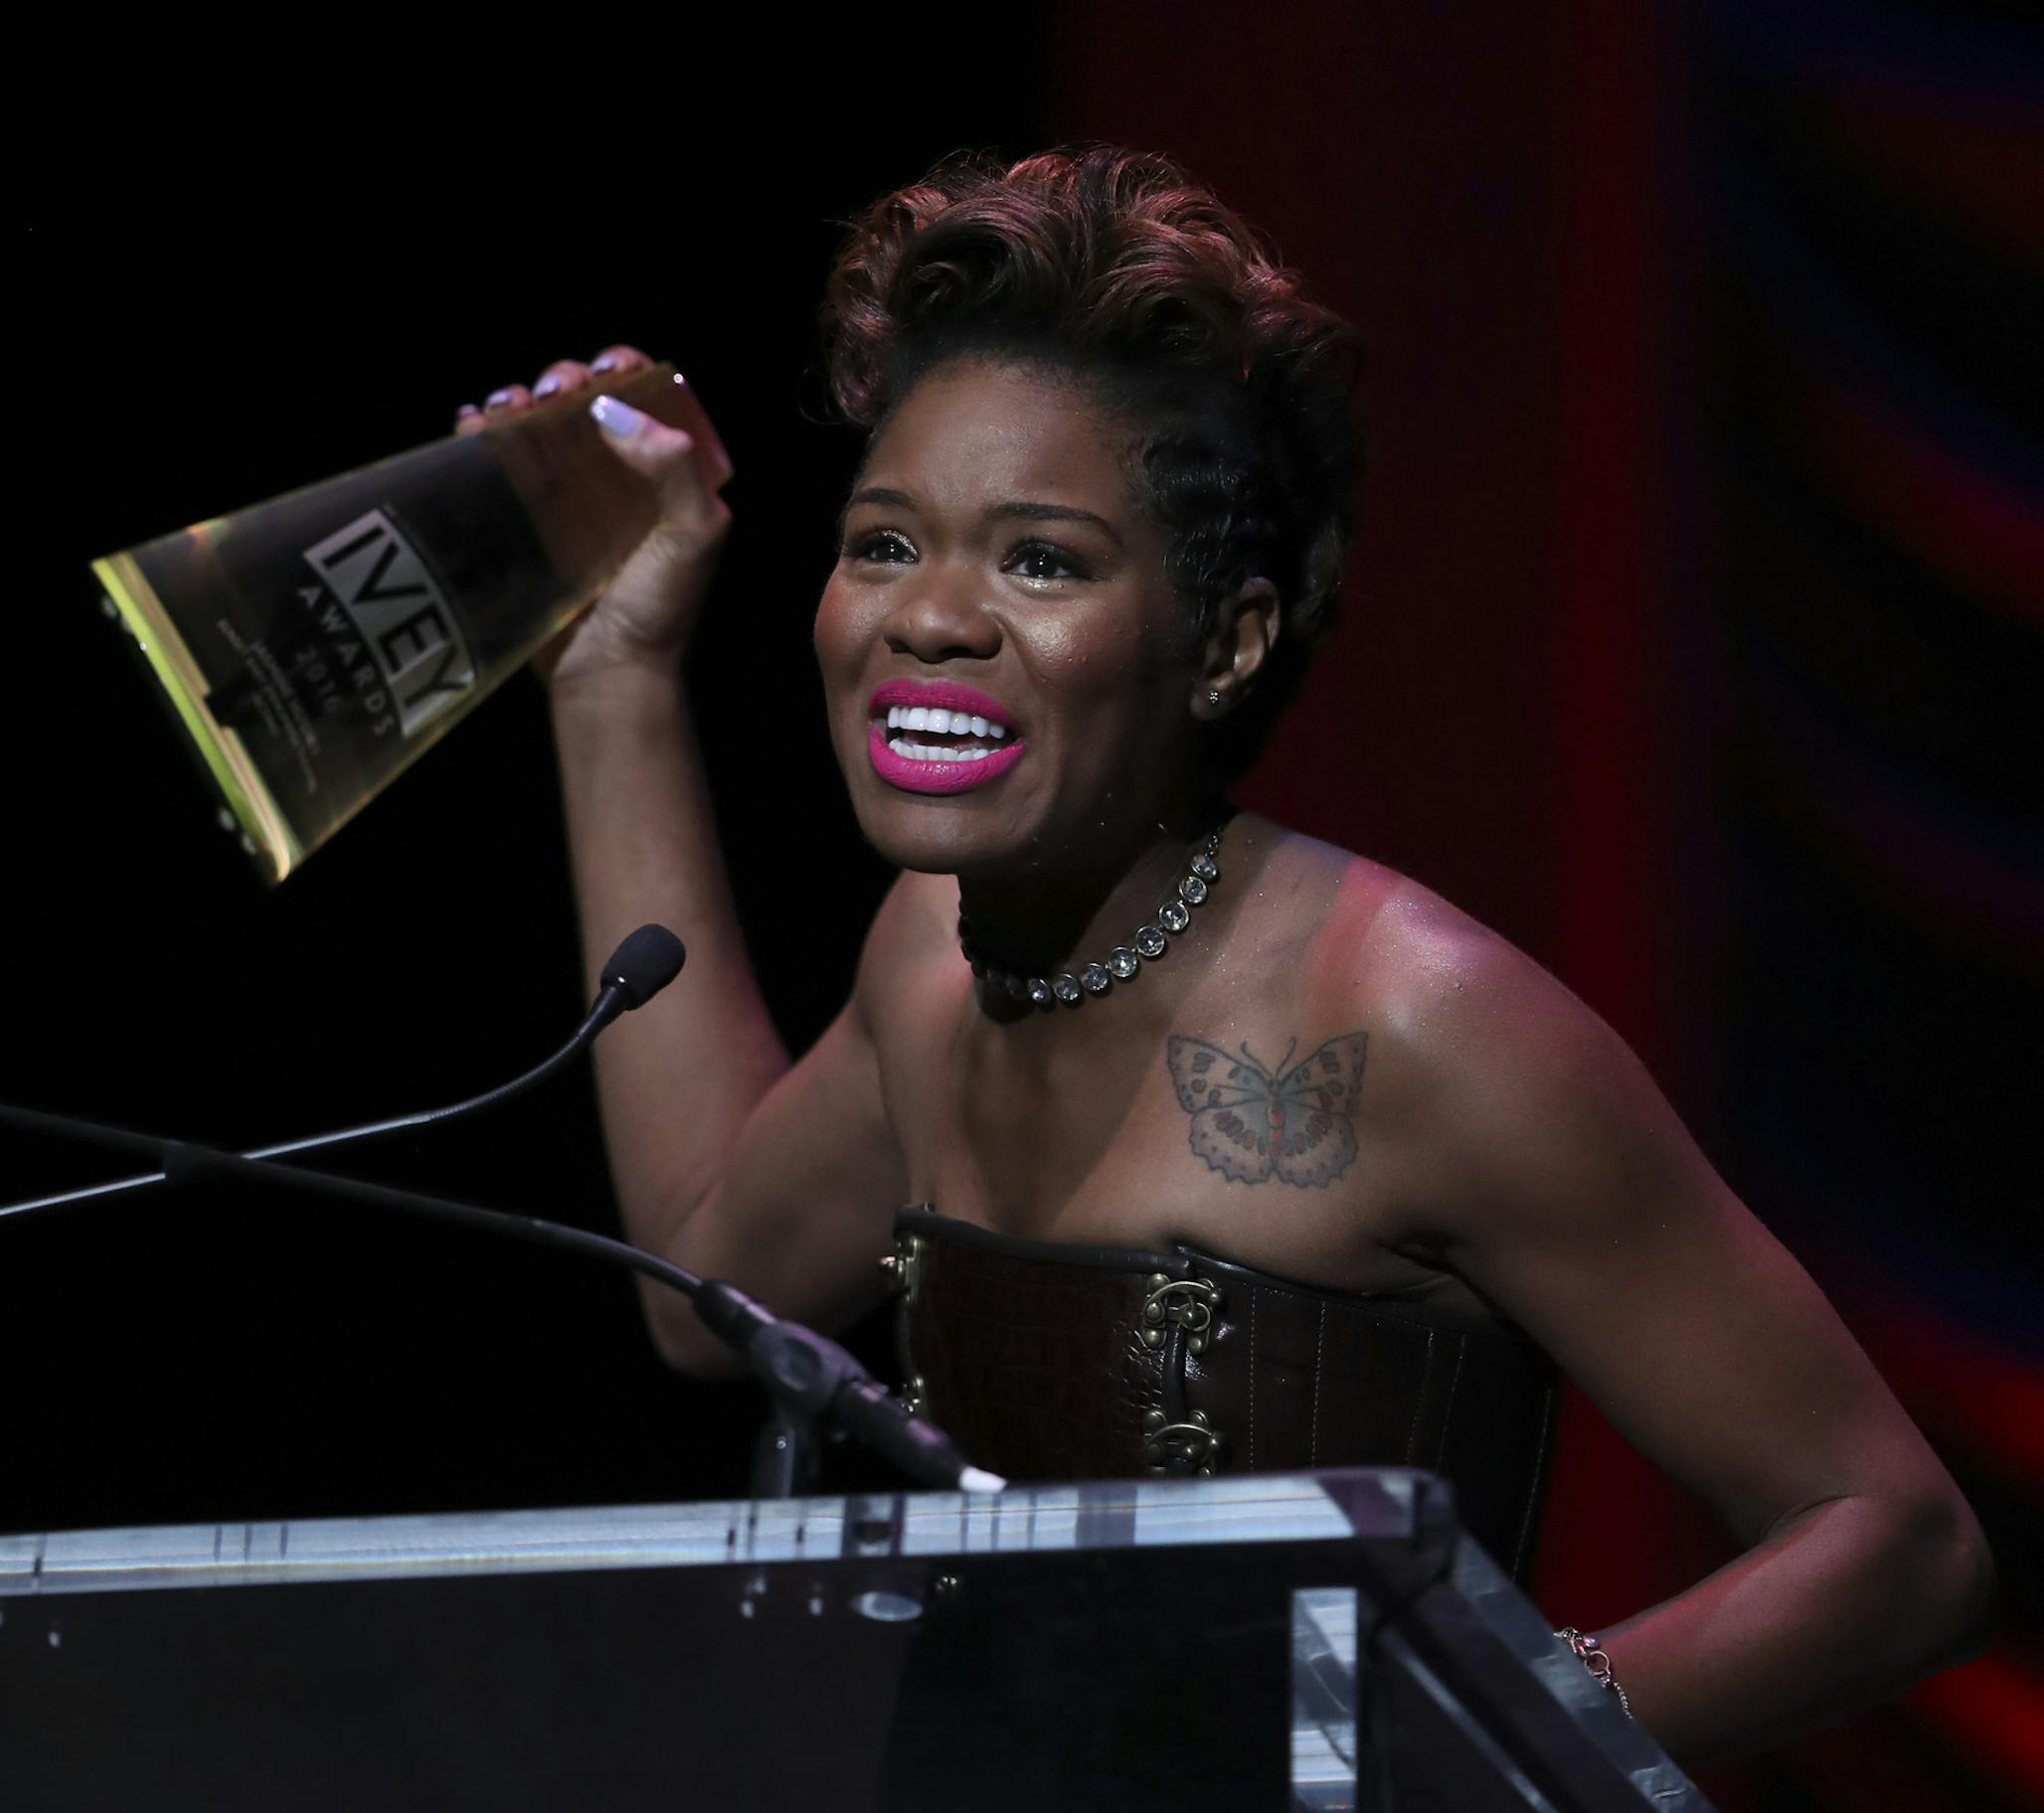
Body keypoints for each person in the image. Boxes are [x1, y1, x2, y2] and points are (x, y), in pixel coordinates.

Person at [456, 148, 1992, 1767]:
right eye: (886, 543)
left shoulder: (1414, 1020)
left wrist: (1450, 1753)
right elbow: (713, 1288)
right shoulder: (928, 955)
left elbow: (1895, 1542)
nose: (931, 619)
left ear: (1227, 642)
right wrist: (611, 673)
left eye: (1040, 560)